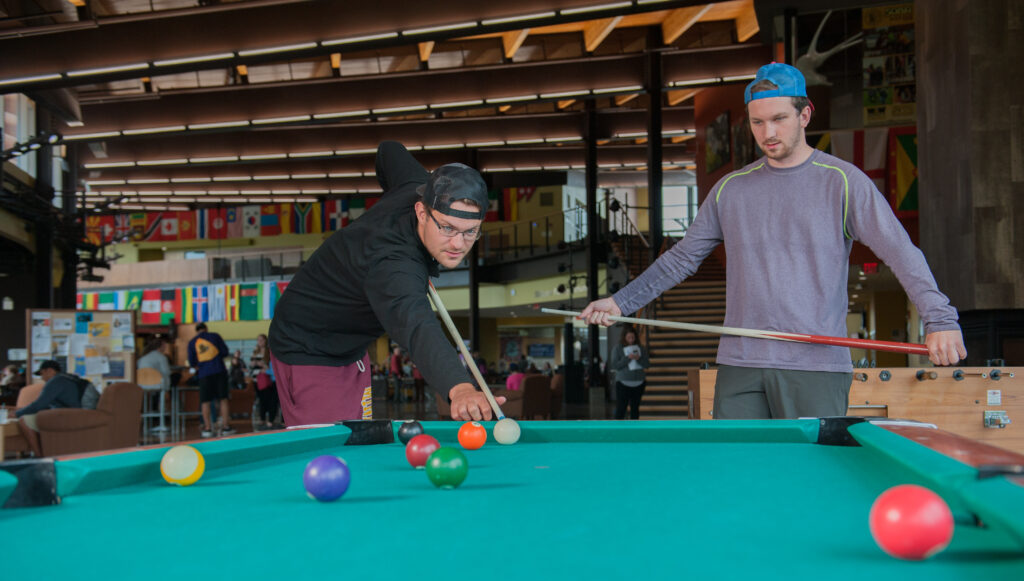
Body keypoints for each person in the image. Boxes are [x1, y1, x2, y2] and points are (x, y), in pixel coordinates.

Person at [580, 62, 966, 419]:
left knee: (809, 481)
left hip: (814, 366)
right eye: (757, 122)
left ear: (805, 115)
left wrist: (939, 318)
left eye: (779, 119)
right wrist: (620, 302)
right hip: (740, 363)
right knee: (738, 478)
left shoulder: (843, 182)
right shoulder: (729, 188)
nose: (768, 133)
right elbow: (681, 259)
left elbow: (900, 252)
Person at [268, 141, 504, 425]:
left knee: (358, 438)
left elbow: (389, 150)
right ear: (421, 211)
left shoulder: (419, 184)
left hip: (350, 346)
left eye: (471, 232)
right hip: (308, 347)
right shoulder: (395, 267)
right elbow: (419, 328)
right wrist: (461, 387)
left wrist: (391, 201)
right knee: (328, 457)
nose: (457, 244)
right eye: (447, 227)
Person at [15, 360, 97, 456]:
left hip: (68, 417)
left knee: (24, 420)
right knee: (37, 418)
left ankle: (39, 456)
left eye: (42, 374)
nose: (42, 378)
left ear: (50, 371)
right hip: (82, 414)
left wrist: (16, 413)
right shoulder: (71, 379)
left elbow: (39, 404)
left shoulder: (55, 381)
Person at [187, 322, 235, 437]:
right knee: (223, 399)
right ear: (206, 329)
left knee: (205, 401)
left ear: (197, 330)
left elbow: (192, 362)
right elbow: (225, 352)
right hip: (219, 371)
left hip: (204, 374)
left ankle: (208, 428)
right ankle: (226, 427)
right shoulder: (215, 336)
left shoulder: (192, 342)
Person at [611, 327, 650, 419]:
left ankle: (634, 430)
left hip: (639, 382)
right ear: (624, 337)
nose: (631, 340)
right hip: (623, 382)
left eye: (633, 337)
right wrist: (628, 358)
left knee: (635, 409)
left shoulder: (641, 348)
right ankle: (617, 429)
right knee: (621, 408)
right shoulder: (618, 348)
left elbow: (647, 364)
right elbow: (615, 365)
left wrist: (639, 358)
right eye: (629, 338)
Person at [138, 338, 173, 433]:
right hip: (158, 385)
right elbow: (167, 372)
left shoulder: (143, 357)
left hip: (142, 386)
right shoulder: (161, 357)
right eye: (164, 346)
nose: (165, 347)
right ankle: (164, 416)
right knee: (173, 379)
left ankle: (147, 421)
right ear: (160, 346)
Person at [250, 335, 278, 429]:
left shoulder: (269, 352)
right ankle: (262, 419)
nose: (259, 342)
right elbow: (251, 366)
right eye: (258, 340)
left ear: (265, 341)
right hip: (256, 379)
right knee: (261, 400)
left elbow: (271, 368)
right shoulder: (255, 352)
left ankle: (269, 420)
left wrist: (263, 367)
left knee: (269, 400)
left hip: (266, 379)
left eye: (261, 340)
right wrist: (253, 364)